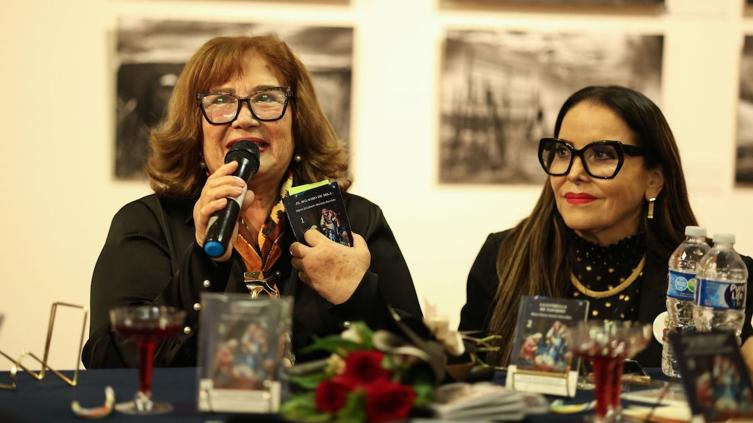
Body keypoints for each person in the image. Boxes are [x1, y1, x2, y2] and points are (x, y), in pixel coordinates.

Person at [83, 35, 421, 368]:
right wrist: (202, 262)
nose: (244, 118)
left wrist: (356, 295)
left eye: (266, 98)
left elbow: (423, 365)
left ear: (298, 118)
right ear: (195, 124)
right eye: (221, 100)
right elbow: (110, 359)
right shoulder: (147, 222)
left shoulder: (356, 218)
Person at [459, 85, 753, 367]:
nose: (574, 173)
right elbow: (467, 381)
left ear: (653, 180)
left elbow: (724, 393)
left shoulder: (714, 276)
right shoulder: (504, 257)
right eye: (562, 152)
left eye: (601, 154)